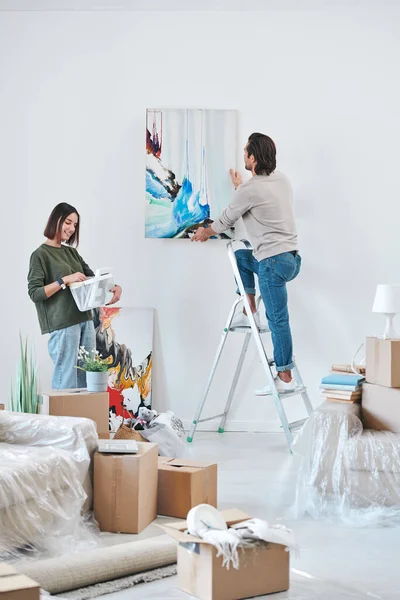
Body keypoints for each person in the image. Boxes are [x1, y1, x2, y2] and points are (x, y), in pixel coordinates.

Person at [192, 133, 300, 394]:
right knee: (242, 256)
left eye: (245, 153)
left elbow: (227, 219)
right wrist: (241, 188)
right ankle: (249, 305)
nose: (243, 156)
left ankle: (285, 376)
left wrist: (205, 232)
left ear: (253, 157)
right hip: (292, 260)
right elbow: (259, 198)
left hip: (272, 263)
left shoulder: (250, 190)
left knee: (278, 321)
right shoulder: (282, 180)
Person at [28, 202, 122, 389]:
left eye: (75, 225)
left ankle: (82, 418)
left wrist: (115, 287)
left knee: (86, 378)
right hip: (63, 323)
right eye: (68, 222)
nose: (72, 228)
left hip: (85, 319)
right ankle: (63, 418)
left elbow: (92, 278)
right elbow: (35, 293)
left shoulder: (71, 253)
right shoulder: (40, 255)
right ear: (56, 220)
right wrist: (63, 280)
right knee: (66, 375)